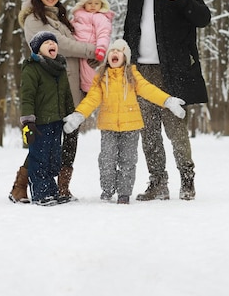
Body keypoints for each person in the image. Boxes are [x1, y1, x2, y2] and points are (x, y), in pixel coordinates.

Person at [123, 0, 211, 201]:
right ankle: (158, 182)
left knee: (175, 129)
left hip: (173, 72)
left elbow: (203, 18)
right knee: (148, 131)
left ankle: (187, 179)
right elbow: (129, 32)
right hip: (141, 72)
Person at [9, 0, 98, 204]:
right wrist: (90, 49)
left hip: (71, 87)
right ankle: (20, 186)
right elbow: (63, 45)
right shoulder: (34, 19)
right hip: (50, 89)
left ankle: (62, 187)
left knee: (70, 137)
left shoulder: (59, 16)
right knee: (45, 141)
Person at [62, 39, 186, 204]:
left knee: (128, 161)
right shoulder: (101, 76)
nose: (115, 53)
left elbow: (149, 90)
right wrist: (79, 115)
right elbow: (91, 99)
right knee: (106, 159)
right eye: (112, 50)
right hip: (108, 127)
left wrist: (167, 101)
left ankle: (124, 194)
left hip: (131, 127)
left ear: (125, 57)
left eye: (119, 51)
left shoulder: (132, 75)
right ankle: (107, 190)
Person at [20, 31, 75, 206]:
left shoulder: (60, 68)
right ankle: (40, 192)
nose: (52, 44)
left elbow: (66, 95)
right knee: (39, 158)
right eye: (46, 43)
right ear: (37, 50)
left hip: (57, 121)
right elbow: (27, 97)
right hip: (40, 123)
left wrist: (70, 115)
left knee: (54, 158)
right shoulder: (32, 68)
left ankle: (51, 190)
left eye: (53, 41)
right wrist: (28, 122)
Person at [69, 0, 115, 93]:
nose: (93, 6)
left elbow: (103, 34)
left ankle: (91, 92)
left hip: (91, 50)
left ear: (101, 4)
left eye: (96, 3)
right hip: (77, 48)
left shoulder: (101, 17)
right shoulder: (78, 15)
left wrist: (101, 48)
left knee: (88, 73)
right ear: (84, 4)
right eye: (89, 3)